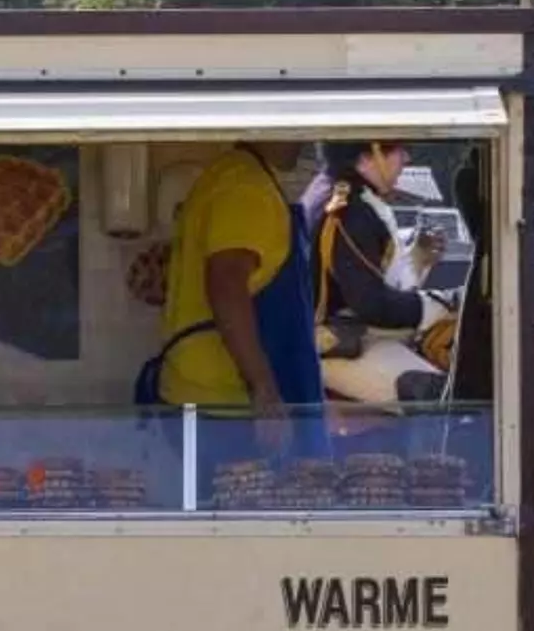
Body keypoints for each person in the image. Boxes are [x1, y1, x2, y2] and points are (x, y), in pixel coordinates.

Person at [148, 141, 326, 460]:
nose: (303, 140)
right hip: (222, 406)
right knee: (243, 504)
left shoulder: (231, 174)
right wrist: (264, 391)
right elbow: (226, 283)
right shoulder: (245, 187)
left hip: (206, 400)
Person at [309, 141, 463, 403]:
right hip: (334, 346)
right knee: (441, 397)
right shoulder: (347, 211)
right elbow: (371, 304)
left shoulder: (351, 197)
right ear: (370, 153)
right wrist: (439, 304)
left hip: (357, 337)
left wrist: (417, 260)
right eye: (397, 148)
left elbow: (375, 285)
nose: (406, 157)